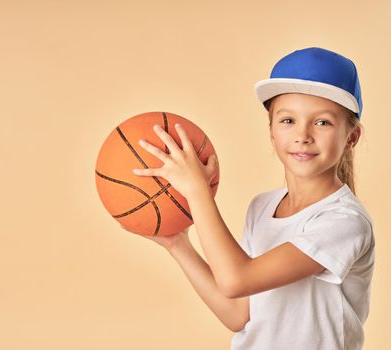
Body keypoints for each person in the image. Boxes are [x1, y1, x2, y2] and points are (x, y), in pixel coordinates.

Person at [126, 47, 375, 350]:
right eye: (287, 121)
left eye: (322, 122)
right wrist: (177, 243)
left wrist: (196, 191)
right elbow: (238, 314)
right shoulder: (262, 207)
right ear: (271, 131)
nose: (303, 135)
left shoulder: (344, 222)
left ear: (352, 138)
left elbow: (235, 279)